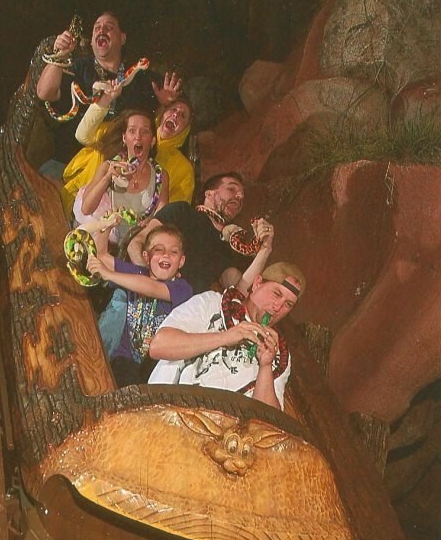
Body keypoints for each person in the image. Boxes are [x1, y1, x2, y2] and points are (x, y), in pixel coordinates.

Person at [148, 261, 306, 411]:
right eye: (276, 293)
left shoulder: (278, 354)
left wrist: (265, 367)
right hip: (166, 413)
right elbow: (158, 346)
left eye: (288, 304)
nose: (278, 307)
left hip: (222, 428)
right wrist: (224, 337)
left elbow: (268, 421)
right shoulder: (212, 303)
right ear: (257, 283)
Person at [37, 11, 181, 171]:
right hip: (68, 164)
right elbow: (44, 93)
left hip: (118, 169)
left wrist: (163, 104)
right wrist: (60, 54)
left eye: (109, 27)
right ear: (92, 41)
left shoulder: (140, 79)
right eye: (96, 28)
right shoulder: (78, 67)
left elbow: (149, 128)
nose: (101, 30)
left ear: (122, 38)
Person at [86, 225, 193, 387]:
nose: (166, 255)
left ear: (181, 261)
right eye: (158, 249)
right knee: (120, 381)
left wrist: (110, 274)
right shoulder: (137, 272)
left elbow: (151, 288)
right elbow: (102, 256)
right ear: (146, 257)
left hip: (156, 366)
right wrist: (107, 225)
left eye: (173, 252)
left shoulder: (182, 288)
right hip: (124, 358)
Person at [126, 172, 253, 294]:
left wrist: (261, 250)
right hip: (143, 296)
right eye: (232, 189)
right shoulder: (182, 211)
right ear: (209, 194)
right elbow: (136, 243)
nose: (239, 196)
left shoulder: (228, 246)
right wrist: (151, 284)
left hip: (186, 307)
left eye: (242, 196)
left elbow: (237, 286)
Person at [63, 97, 195, 207]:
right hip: (77, 200)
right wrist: (104, 100)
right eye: (173, 109)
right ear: (124, 137)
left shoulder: (181, 169)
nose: (176, 115)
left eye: (182, 115)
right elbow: (83, 136)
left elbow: (172, 211)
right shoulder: (120, 131)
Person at [75, 110, 169, 247]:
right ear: (124, 138)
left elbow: (161, 217)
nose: (138, 137)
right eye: (132, 131)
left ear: (153, 140)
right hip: (106, 240)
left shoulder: (161, 176)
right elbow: (86, 209)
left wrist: (149, 223)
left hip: (139, 241)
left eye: (144, 132)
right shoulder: (107, 167)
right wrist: (107, 178)